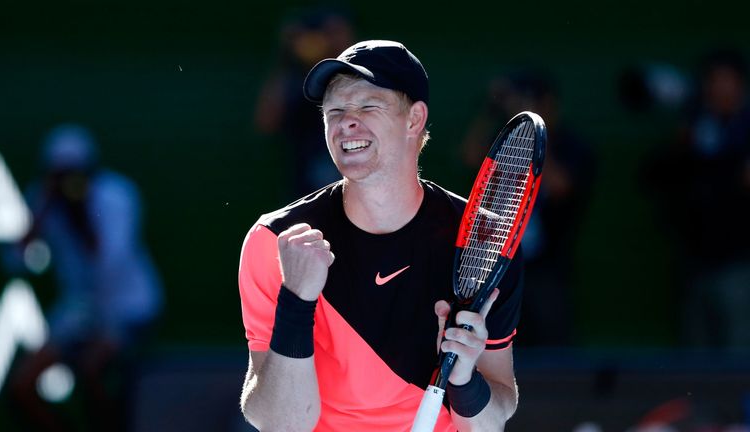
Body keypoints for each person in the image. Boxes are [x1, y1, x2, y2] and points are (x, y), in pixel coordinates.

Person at [238, 40, 524, 431]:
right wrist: (297, 301)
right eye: (334, 111)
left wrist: (465, 379)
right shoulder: (275, 242)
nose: (346, 123)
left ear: (414, 119)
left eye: (368, 107)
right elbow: (281, 424)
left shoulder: (485, 239)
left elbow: (493, 421)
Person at [0, 124, 164, 432]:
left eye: (75, 175)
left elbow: (112, 264)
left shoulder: (116, 196)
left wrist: (83, 216)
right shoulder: (44, 203)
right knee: (21, 386)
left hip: (129, 308)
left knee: (92, 369)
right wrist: (38, 220)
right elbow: (14, 263)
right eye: (60, 177)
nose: (69, 186)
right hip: (79, 311)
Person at [461, 71, 596, 347]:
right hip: (500, 262)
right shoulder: (503, 139)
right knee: (500, 344)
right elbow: (469, 155)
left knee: (551, 346)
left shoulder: (572, 145)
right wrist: (491, 108)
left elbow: (561, 187)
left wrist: (531, 127)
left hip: (548, 266)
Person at [641, 48, 750, 347]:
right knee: (695, 357)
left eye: (725, 81)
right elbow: (655, 175)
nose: (718, 89)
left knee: (739, 352)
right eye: (712, 81)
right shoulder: (695, 125)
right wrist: (686, 142)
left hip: (738, 263)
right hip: (694, 260)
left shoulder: (743, 129)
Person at [254, 8, 355, 198]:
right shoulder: (294, 80)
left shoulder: (362, 79)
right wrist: (287, 56)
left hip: (356, 183)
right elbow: (266, 121)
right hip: (306, 184)